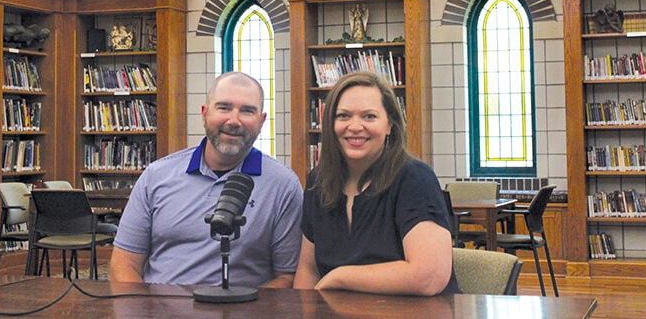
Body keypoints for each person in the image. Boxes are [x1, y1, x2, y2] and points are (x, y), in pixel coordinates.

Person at [109, 71, 303, 288]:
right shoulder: (156, 176)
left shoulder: (284, 186)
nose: (234, 120)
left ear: (261, 121)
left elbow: (287, 277)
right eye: (224, 108)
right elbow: (123, 265)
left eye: (247, 111)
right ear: (204, 114)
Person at [293, 71, 460, 296]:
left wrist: (339, 277)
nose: (354, 126)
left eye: (369, 116)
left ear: (389, 124)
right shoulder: (318, 182)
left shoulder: (415, 178)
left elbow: (428, 276)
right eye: (343, 116)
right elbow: (308, 270)